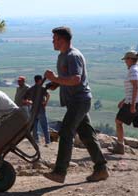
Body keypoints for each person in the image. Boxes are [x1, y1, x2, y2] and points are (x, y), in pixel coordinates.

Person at [43, 26, 108, 183]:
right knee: (87, 135)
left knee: (66, 133)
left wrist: (56, 78)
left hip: (80, 100)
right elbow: (67, 78)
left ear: (62, 40)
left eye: (55, 38)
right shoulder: (62, 56)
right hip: (74, 102)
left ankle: (60, 172)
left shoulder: (73, 56)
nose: (52, 41)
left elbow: (76, 79)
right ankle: (101, 169)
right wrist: (56, 84)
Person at [108, 50, 138, 154]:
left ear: (130, 59)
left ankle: (120, 147)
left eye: (126, 59)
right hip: (131, 101)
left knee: (118, 121)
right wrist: (123, 100)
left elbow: (135, 87)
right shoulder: (135, 69)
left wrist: (133, 105)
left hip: (132, 102)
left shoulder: (133, 70)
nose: (125, 62)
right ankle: (120, 146)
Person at [23, 75, 50, 145]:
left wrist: (28, 102)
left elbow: (24, 99)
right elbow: (48, 95)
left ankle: (36, 141)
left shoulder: (31, 89)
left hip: (33, 109)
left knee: (34, 127)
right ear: (40, 80)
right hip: (41, 109)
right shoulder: (42, 88)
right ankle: (47, 142)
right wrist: (45, 103)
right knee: (44, 126)